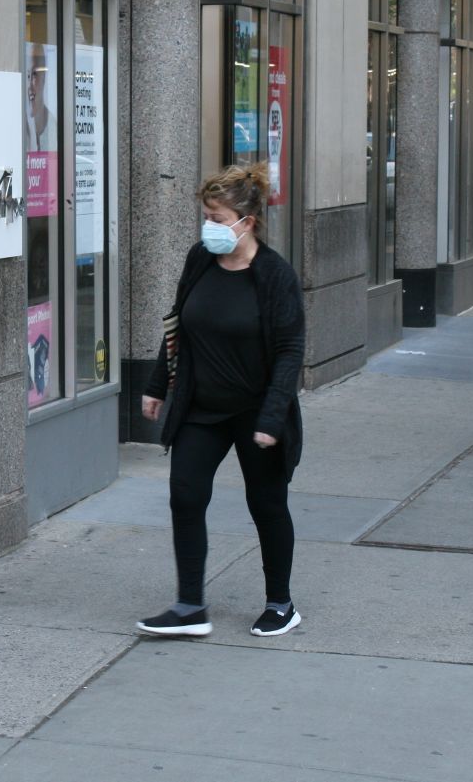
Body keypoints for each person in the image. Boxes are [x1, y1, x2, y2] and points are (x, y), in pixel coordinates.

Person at [138, 162, 305, 638]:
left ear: (246, 222)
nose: (208, 226)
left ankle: (281, 603)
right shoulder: (200, 260)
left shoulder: (275, 276)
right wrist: (157, 385)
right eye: (206, 216)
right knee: (185, 496)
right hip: (201, 407)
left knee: (267, 504)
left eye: (217, 218)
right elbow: (178, 324)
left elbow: (290, 351)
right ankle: (190, 606)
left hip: (256, 410)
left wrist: (272, 417)